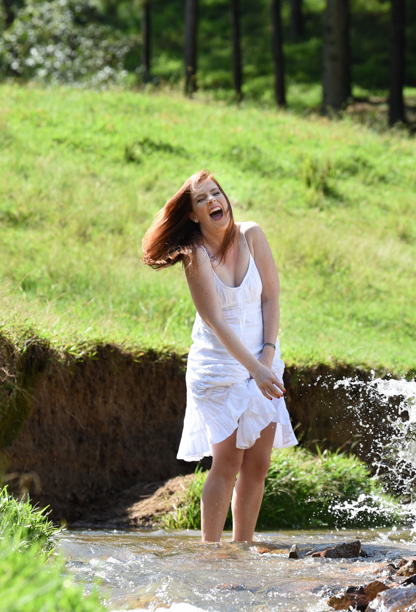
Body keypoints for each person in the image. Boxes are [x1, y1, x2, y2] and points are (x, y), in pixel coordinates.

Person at [142, 170, 297, 543]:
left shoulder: (252, 235)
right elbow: (213, 319)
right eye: (202, 199)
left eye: (217, 193)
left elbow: (271, 297)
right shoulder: (195, 254)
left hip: (263, 359)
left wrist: (266, 358)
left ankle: (243, 548)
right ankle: (210, 552)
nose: (214, 201)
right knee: (228, 463)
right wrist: (255, 368)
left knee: (258, 464)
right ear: (193, 214)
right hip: (218, 368)